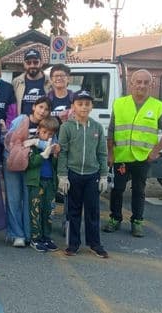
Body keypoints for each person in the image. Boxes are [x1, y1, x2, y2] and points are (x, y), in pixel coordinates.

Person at [103, 69, 162, 238]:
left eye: (146, 82)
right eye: (138, 82)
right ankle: (115, 218)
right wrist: (110, 154)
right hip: (121, 157)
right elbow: (111, 131)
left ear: (151, 85)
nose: (142, 85)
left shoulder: (157, 106)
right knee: (117, 190)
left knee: (139, 191)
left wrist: (155, 151)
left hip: (142, 158)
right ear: (131, 83)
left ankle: (137, 222)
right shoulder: (120, 104)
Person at [57, 90, 109, 258]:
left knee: (93, 211)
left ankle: (95, 244)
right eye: (80, 104)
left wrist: (104, 175)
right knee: (73, 211)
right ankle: (73, 244)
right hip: (73, 174)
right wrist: (62, 176)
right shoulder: (66, 127)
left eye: (87, 104)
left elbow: (102, 153)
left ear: (92, 106)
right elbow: (63, 153)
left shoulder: (97, 127)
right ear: (73, 106)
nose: (84, 107)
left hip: (92, 175)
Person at [2, 96, 52, 247]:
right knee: (14, 198)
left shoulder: (46, 125)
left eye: (46, 109)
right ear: (34, 107)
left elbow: (52, 144)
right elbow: (8, 139)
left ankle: (29, 233)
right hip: (13, 161)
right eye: (41, 107)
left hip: (32, 165)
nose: (42, 111)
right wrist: (24, 146)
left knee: (28, 199)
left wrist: (37, 142)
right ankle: (17, 234)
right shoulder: (21, 120)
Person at [25, 116, 60, 252]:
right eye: (44, 132)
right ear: (38, 130)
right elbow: (30, 163)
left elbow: (56, 166)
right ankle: (35, 238)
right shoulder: (32, 145)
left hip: (49, 182)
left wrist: (55, 156)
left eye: (50, 134)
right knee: (36, 211)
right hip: (36, 182)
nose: (46, 136)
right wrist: (42, 155)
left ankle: (46, 237)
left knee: (49, 211)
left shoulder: (53, 147)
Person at [47, 63, 73, 205]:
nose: (59, 78)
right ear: (51, 80)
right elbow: (43, 120)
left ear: (68, 78)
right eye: (55, 76)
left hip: (70, 143)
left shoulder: (75, 98)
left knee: (69, 181)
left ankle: (68, 216)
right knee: (51, 179)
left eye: (62, 75)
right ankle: (50, 211)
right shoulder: (47, 98)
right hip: (51, 143)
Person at [12, 48, 51, 116]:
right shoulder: (16, 82)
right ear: (24, 64)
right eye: (28, 63)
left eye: (35, 62)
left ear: (41, 63)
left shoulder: (50, 82)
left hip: (44, 122)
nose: (32, 65)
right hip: (22, 122)